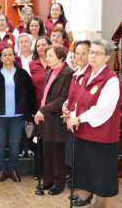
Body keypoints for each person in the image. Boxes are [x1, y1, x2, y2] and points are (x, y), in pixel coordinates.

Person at [66, 39, 122, 208]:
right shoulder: (87, 76)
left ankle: (106, 205)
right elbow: (81, 102)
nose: (92, 56)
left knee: (103, 176)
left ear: (106, 57)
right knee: (89, 172)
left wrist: (79, 119)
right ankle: (95, 202)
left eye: (98, 53)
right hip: (85, 133)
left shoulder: (111, 80)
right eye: (92, 52)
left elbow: (102, 110)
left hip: (102, 137)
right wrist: (72, 115)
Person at [0, 46, 36, 183]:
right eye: (4, 55)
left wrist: (28, 116)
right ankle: (2, 170)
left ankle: (12, 170)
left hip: (18, 117)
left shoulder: (23, 74)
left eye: (10, 54)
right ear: (0, 59)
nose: (7, 57)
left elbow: (30, 95)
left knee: (15, 144)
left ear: (14, 57)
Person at [34, 44, 73, 195]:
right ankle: (48, 180)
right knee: (47, 151)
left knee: (58, 152)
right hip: (46, 118)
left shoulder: (68, 73)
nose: (47, 57)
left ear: (61, 57)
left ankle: (59, 183)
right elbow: (45, 96)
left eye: (51, 55)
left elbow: (62, 98)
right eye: (47, 55)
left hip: (57, 117)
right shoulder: (50, 72)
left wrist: (43, 110)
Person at [61, 40, 92, 206]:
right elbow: (73, 95)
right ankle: (82, 189)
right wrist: (65, 104)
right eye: (76, 53)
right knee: (76, 157)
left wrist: (75, 115)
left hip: (83, 123)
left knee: (85, 158)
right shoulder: (76, 72)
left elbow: (86, 100)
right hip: (72, 121)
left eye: (84, 53)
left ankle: (87, 192)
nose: (79, 57)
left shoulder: (91, 74)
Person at [28, 36, 52, 179]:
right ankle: (38, 171)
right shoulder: (32, 64)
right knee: (37, 141)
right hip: (36, 109)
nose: (41, 48)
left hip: (51, 109)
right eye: (38, 46)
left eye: (44, 45)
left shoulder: (54, 64)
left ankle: (49, 171)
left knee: (50, 142)